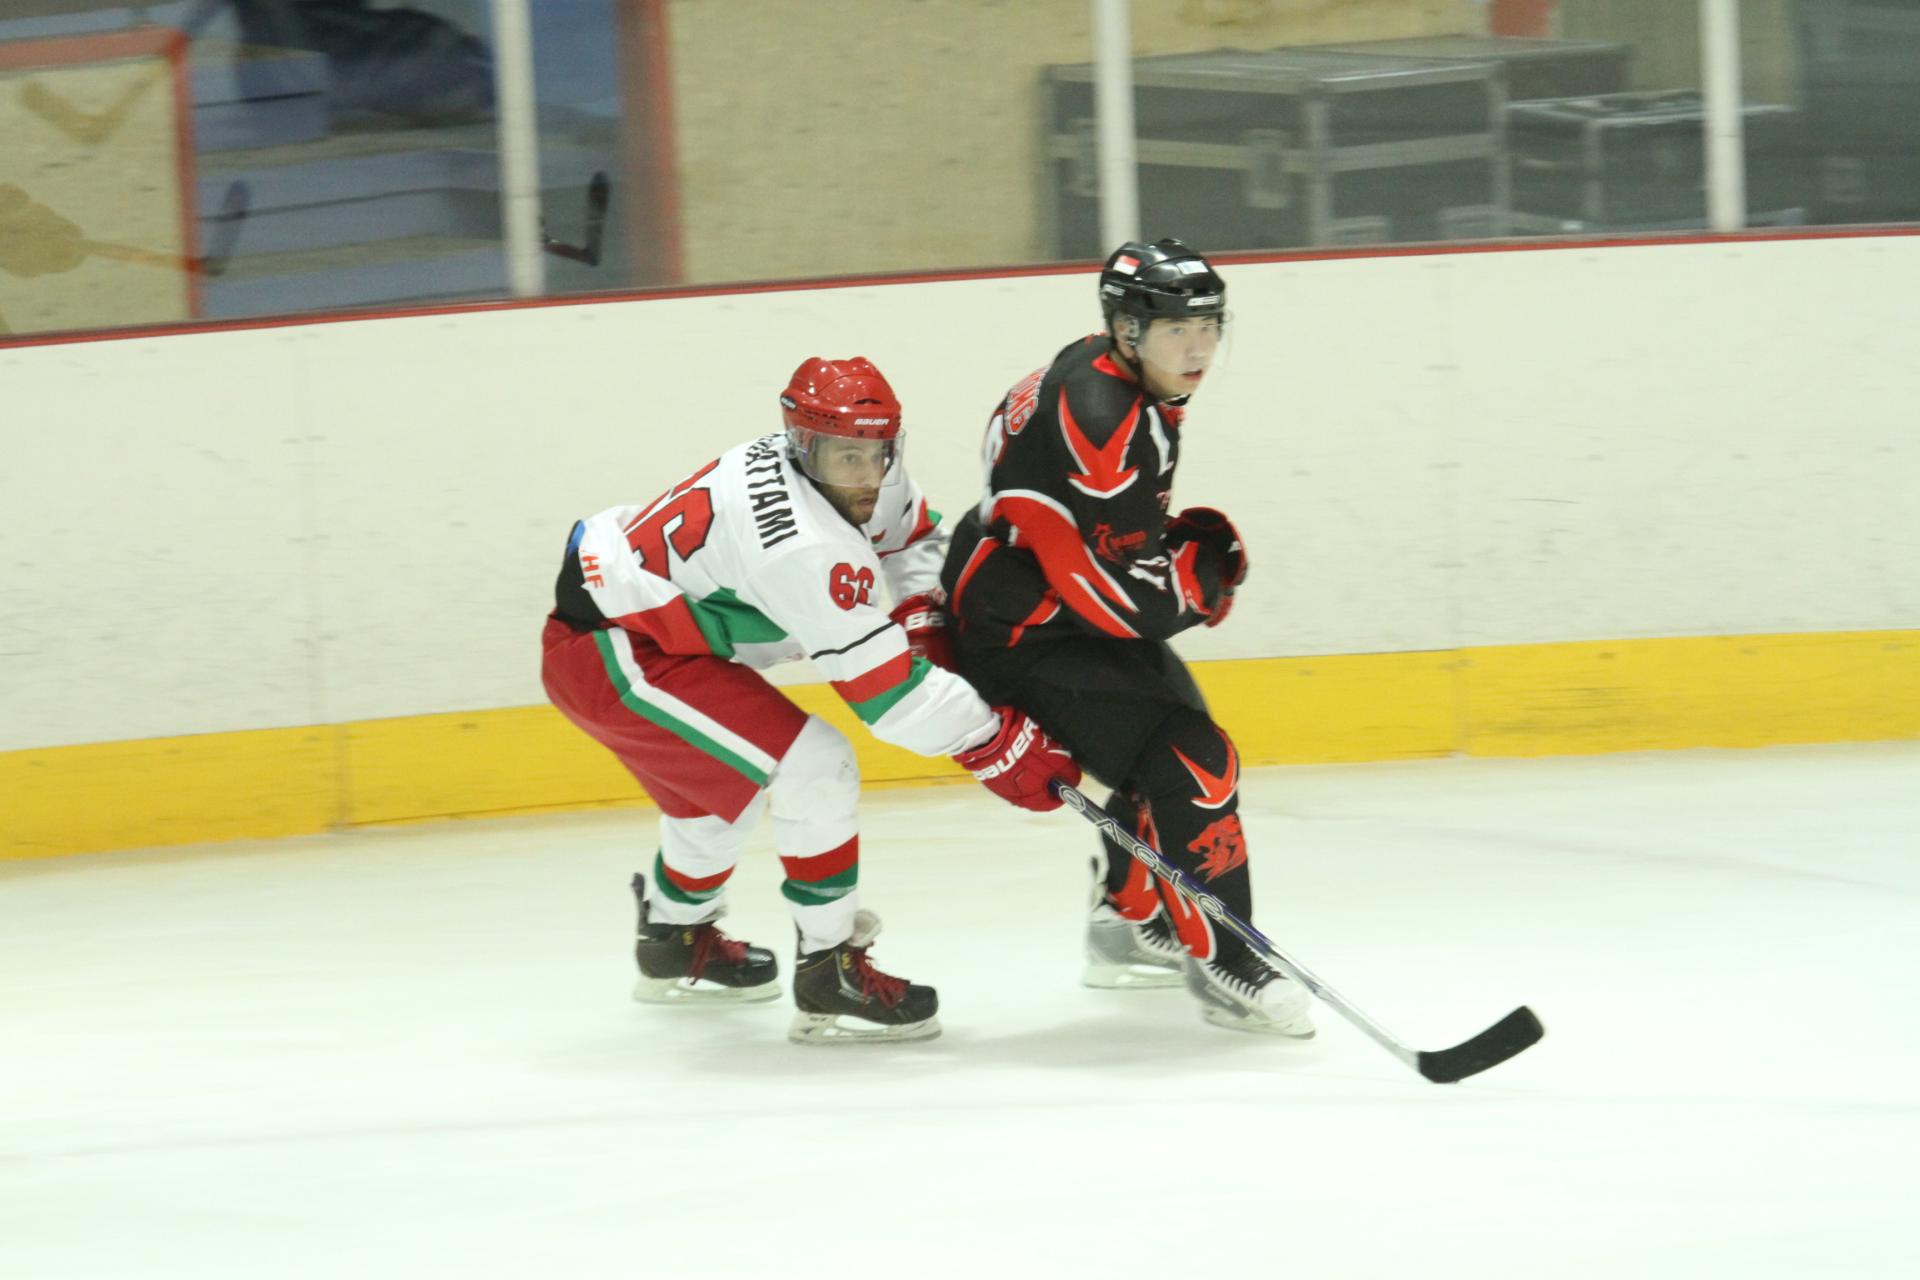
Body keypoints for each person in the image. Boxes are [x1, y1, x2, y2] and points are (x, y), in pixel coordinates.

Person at [541, 356, 1080, 1045]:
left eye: (876, 452)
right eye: (844, 455)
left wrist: (919, 615)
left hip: (645, 637)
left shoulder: (853, 473)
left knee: (715, 801)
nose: (865, 475)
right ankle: (829, 969)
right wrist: (994, 742)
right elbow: (888, 697)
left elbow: (913, 538)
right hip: (607, 653)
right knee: (816, 765)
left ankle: (672, 938)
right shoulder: (800, 544)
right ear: (801, 444)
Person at [936, 238, 1314, 1038]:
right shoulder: (1106, 428)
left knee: (1171, 753)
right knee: (1192, 760)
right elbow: (1120, 605)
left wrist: (1160, 561)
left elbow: (1092, 547)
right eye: (1178, 329)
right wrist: (1200, 587)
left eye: (1209, 326)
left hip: (1034, 601)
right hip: (1026, 632)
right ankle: (1229, 962)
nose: (1199, 347)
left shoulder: (1098, 366)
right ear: (1128, 330)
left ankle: (1126, 918)